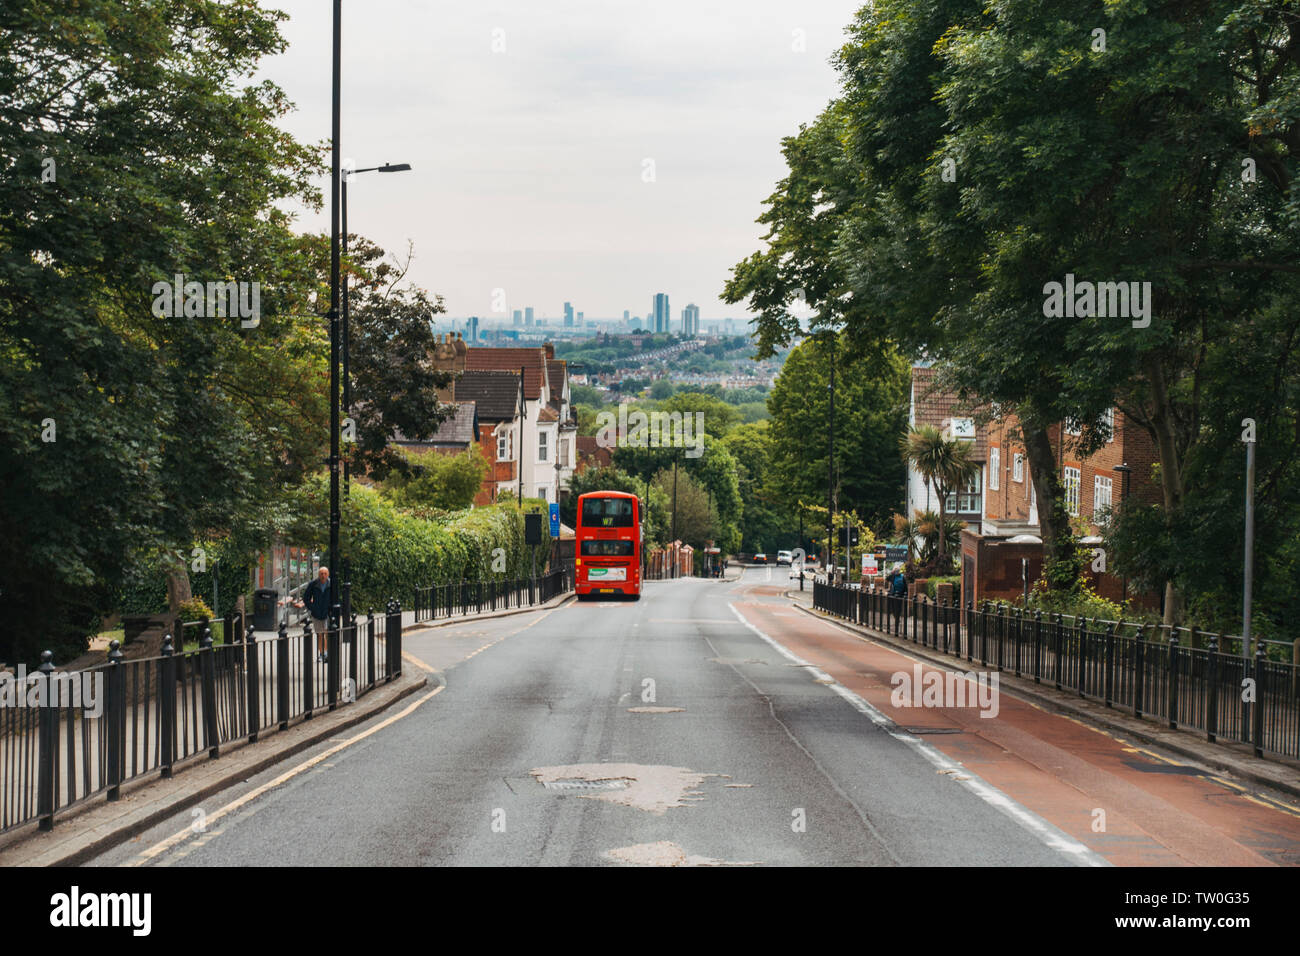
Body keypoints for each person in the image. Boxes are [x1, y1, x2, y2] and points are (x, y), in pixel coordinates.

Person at [295, 566, 333, 663]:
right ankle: (321, 654)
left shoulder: (331, 584)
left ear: (328, 574)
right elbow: (306, 598)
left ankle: (327, 653)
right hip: (317, 613)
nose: (323, 575)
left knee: (326, 633)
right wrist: (312, 607)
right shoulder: (313, 584)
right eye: (321, 574)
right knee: (319, 634)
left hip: (326, 612)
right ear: (318, 575)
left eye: (325, 573)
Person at [889, 568, 908, 632]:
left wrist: (891, 573)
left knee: (893, 608)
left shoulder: (893, 577)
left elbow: (887, 578)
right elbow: (905, 587)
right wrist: (905, 595)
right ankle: (897, 618)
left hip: (893, 595)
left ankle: (896, 619)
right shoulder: (903, 577)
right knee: (899, 608)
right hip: (900, 595)